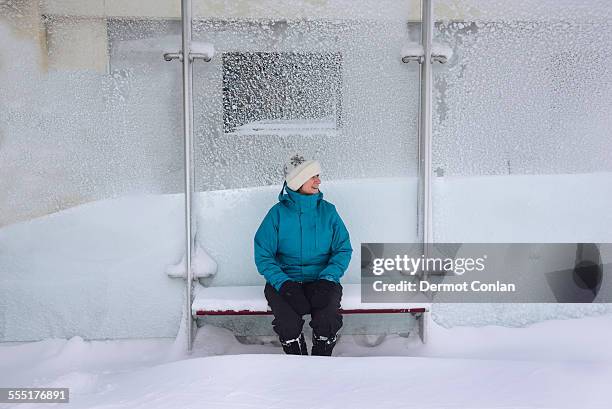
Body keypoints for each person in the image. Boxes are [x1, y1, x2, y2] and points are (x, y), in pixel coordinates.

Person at [254, 154, 352, 356]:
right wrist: (284, 284)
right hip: (285, 282)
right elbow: (263, 254)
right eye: (313, 176)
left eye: (318, 175)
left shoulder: (329, 212)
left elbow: (343, 249)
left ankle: (321, 362)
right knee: (288, 325)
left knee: (327, 321)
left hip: (322, 281)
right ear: (298, 180)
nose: (319, 180)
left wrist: (327, 279)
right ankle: (297, 364)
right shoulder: (277, 214)